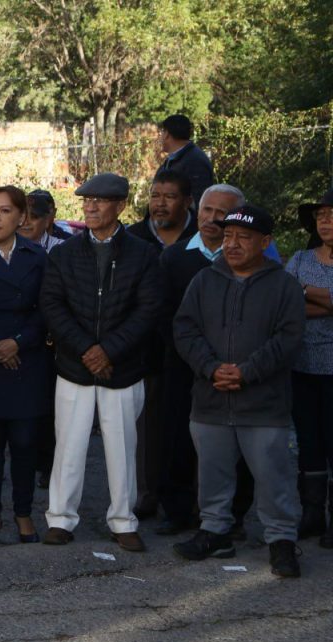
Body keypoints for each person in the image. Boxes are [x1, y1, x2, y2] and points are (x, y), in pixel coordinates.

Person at [173, 205, 305, 577]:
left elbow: (289, 338)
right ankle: (215, 533)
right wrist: (211, 367)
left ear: (265, 242)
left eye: (243, 238)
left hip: (263, 404)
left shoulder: (284, 286)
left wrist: (246, 373)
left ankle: (281, 541)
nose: (232, 244)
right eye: (228, 236)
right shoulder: (204, 280)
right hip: (211, 398)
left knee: (273, 476)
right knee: (212, 474)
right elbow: (184, 330)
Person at [39, 172, 162, 552]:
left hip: (122, 369)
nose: (90, 206)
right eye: (86, 200)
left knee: (123, 447)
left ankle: (123, 520)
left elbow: (148, 310)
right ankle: (60, 519)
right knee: (68, 446)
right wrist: (87, 351)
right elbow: (52, 306)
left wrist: (108, 350)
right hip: (75, 367)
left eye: (101, 200)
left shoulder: (144, 254)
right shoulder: (64, 253)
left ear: (121, 205)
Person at [156, 184, 256, 537]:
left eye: (221, 213)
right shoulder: (175, 257)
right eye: (207, 210)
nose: (212, 219)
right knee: (177, 441)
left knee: (237, 445)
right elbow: (165, 316)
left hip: (235, 372)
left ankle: (235, 515)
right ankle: (177, 511)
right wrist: (201, 361)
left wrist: (228, 367)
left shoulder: (254, 261)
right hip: (184, 367)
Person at [0, 185, 52, 550]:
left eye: (4, 211)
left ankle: (22, 512)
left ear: (22, 218)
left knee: (24, 443)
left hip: (27, 358)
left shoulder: (39, 256)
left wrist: (19, 341)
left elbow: (47, 309)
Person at [126, 170, 197, 519]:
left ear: (187, 201)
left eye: (169, 197)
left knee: (194, 427)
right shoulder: (133, 239)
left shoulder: (207, 237)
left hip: (197, 354)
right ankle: (148, 494)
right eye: (155, 196)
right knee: (149, 429)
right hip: (148, 351)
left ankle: (193, 500)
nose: (160, 203)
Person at [286, 189, 333, 548]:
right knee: (308, 443)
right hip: (302, 368)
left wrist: (306, 293)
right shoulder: (301, 258)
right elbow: (286, 306)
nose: (325, 220)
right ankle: (312, 514)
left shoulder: (301, 270)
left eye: (332, 214)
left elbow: (298, 299)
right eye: (321, 215)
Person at [17, 188, 69, 490]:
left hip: (50, 340)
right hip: (14, 338)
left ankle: (47, 465)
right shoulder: (5, 247)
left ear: (49, 219)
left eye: (33, 218)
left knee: (48, 406)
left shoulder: (63, 248)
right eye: (22, 217)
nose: (25, 224)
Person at [157, 114, 216, 206]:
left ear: (167, 134)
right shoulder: (173, 160)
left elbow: (199, 201)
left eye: (162, 132)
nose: (160, 138)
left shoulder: (196, 162)